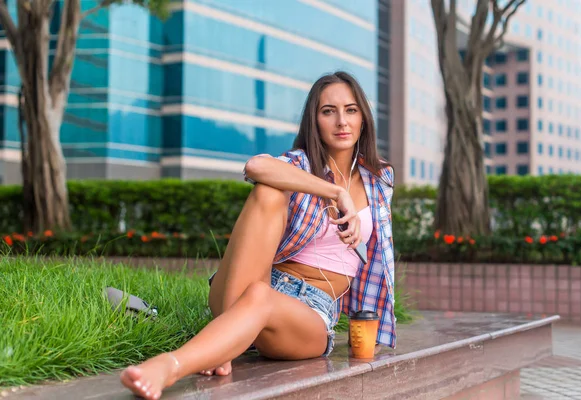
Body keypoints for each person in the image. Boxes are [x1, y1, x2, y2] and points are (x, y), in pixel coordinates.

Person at [120, 71, 396, 400]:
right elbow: (256, 166)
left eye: (351, 110)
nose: (341, 121)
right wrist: (335, 192)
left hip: (310, 312)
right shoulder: (300, 163)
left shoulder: (379, 177)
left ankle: (207, 351)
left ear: (363, 117)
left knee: (260, 297)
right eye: (328, 111)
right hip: (254, 281)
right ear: (314, 119)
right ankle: (176, 364)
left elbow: (377, 258)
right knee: (269, 191)